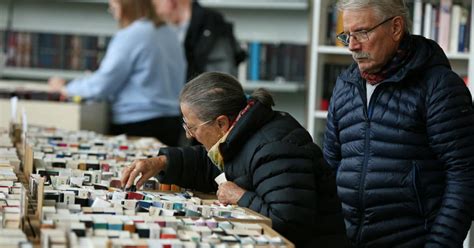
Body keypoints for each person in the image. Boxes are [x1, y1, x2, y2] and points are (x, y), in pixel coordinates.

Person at [121, 72, 348, 247]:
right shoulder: (241, 131)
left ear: (221, 123)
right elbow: (209, 166)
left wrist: (239, 196)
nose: (190, 135)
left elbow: (289, 223)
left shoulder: (275, 147)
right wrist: (162, 162)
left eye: (192, 127)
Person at [324, 0, 474, 247]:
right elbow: (329, 168)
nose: (352, 46)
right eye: (346, 35)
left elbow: (464, 178)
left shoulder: (439, 87)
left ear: (395, 28)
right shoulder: (345, 85)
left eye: (362, 32)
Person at [48, 0, 186, 146]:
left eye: (113, 7)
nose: (113, 12)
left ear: (125, 7)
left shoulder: (132, 35)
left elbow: (101, 85)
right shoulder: (170, 32)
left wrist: (65, 88)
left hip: (137, 125)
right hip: (172, 123)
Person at [152, 0, 246, 81]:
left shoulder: (212, 24)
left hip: (201, 96)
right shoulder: (157, 27)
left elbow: (221, 76)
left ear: (171, 2)